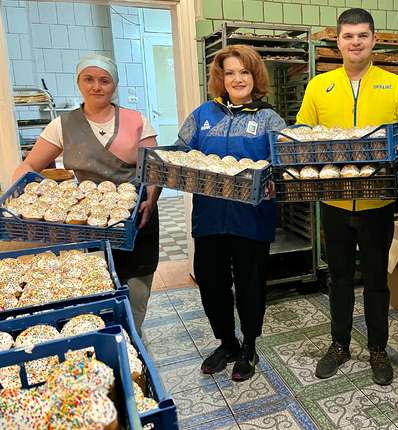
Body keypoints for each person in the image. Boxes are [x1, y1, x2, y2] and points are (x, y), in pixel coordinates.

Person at [296, 8, 398, 386]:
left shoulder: (396, 86)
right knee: (337, 278)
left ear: (374, 39)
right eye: (348, 36)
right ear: (337, 41)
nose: (355, 42)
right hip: (334, 201)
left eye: (362, 35)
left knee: (376, 280)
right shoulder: (319, 86)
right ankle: (339, 345)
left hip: (377, 202)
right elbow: (303, 130)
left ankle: (378, 349)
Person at [12, 54, 160, 336]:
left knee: (136, 292)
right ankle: (107, 341)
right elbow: (29, 166)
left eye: (104, 80)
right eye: (88, 79)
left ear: (114, 85)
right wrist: (19, 195)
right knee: (96, 290)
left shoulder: (136, 120)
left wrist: (150, 201)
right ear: (79, 82)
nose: (96, 86)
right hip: (86, 222)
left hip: (136, 219)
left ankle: (133, 341)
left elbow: (154, 170)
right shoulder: (63, 125)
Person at [175, 45, 285, 381]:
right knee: (211, 283)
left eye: (244, 72)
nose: (237, 79)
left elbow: (283, 165)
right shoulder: (202, 116)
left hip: (251, 219)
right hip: (209, 218)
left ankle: (249, 345)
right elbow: (181, 154)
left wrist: (275, 183)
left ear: (254, 76)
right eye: (230, 73)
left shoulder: (269, 118)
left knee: (250, 285)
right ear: (220, 78)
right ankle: (227, 342)